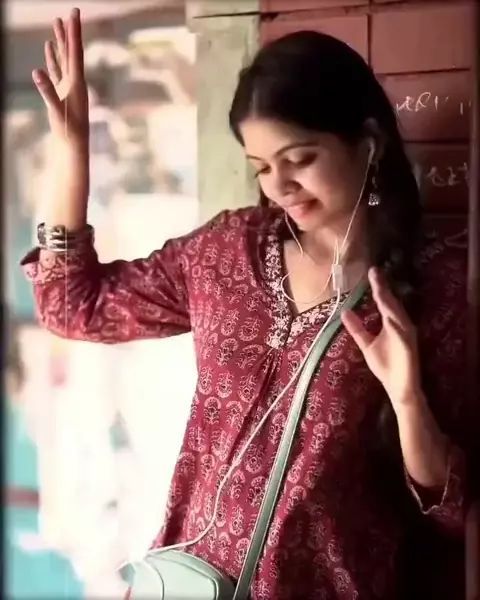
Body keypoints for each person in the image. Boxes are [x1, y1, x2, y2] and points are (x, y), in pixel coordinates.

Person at [22, 8, 475, 600]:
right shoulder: (227, 252)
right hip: (188, 586)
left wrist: (407, 398)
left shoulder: (439, 289)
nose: (280, 186)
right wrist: (71, 152)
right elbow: (71, 306)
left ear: (368, 143)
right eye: (261, 167)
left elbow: (452, 511)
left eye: (300, 159)